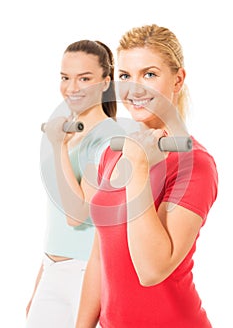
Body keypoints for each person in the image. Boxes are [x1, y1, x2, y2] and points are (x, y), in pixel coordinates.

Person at [76, 24, 218, 327]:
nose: (134, 88)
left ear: (178, 79)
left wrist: (139, 169)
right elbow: (100, 258)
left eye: (149, 74)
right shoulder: (115, 153)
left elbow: (151, 270)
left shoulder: (196, 164)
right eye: (125, 76)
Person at [26, 39, 124, 328]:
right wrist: (42, 279)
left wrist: (56, 147)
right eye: (65, 77)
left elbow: (77, 215)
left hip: (84, 273)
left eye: (85, 78)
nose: (72, 88)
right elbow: (55, 218)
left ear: (106, 82)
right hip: (54, 267)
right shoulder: (72, 135)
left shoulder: (110, 139)